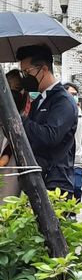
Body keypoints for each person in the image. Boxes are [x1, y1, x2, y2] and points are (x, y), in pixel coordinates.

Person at [17, 44, 78, 195]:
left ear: (44, 69)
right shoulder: (40, 99)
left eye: (27, 72)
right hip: (39, 177)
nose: (25, 77)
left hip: (56, 183)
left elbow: (50, 136)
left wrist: (20, 120)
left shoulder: (63, 101)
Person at [0, 70, 29, 201]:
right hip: (11, 180)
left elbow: (5, 158)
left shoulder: (21, 122)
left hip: (10, 175)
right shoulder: (22, 120)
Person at [64, 82, 82, 202]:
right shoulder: (57, 113)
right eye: (71, 94)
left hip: (78, 160)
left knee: (76, 187)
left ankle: (73, 213)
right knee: (63, 189)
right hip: (60, 161)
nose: (74, 97)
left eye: (75, 94)